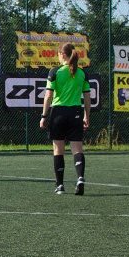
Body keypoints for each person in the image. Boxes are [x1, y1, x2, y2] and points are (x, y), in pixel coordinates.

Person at [39, 43, 90, 195]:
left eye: (58, 54)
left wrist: (44, 116)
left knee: (58, 150)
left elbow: (48, 95)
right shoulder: (82, 73)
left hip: (58, 113)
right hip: (76, 112)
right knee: (77, 149)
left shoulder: (55, 71)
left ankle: (60, 185)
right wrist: (87, 116)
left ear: (62, 54)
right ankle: (80, 178)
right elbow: (87, 97)